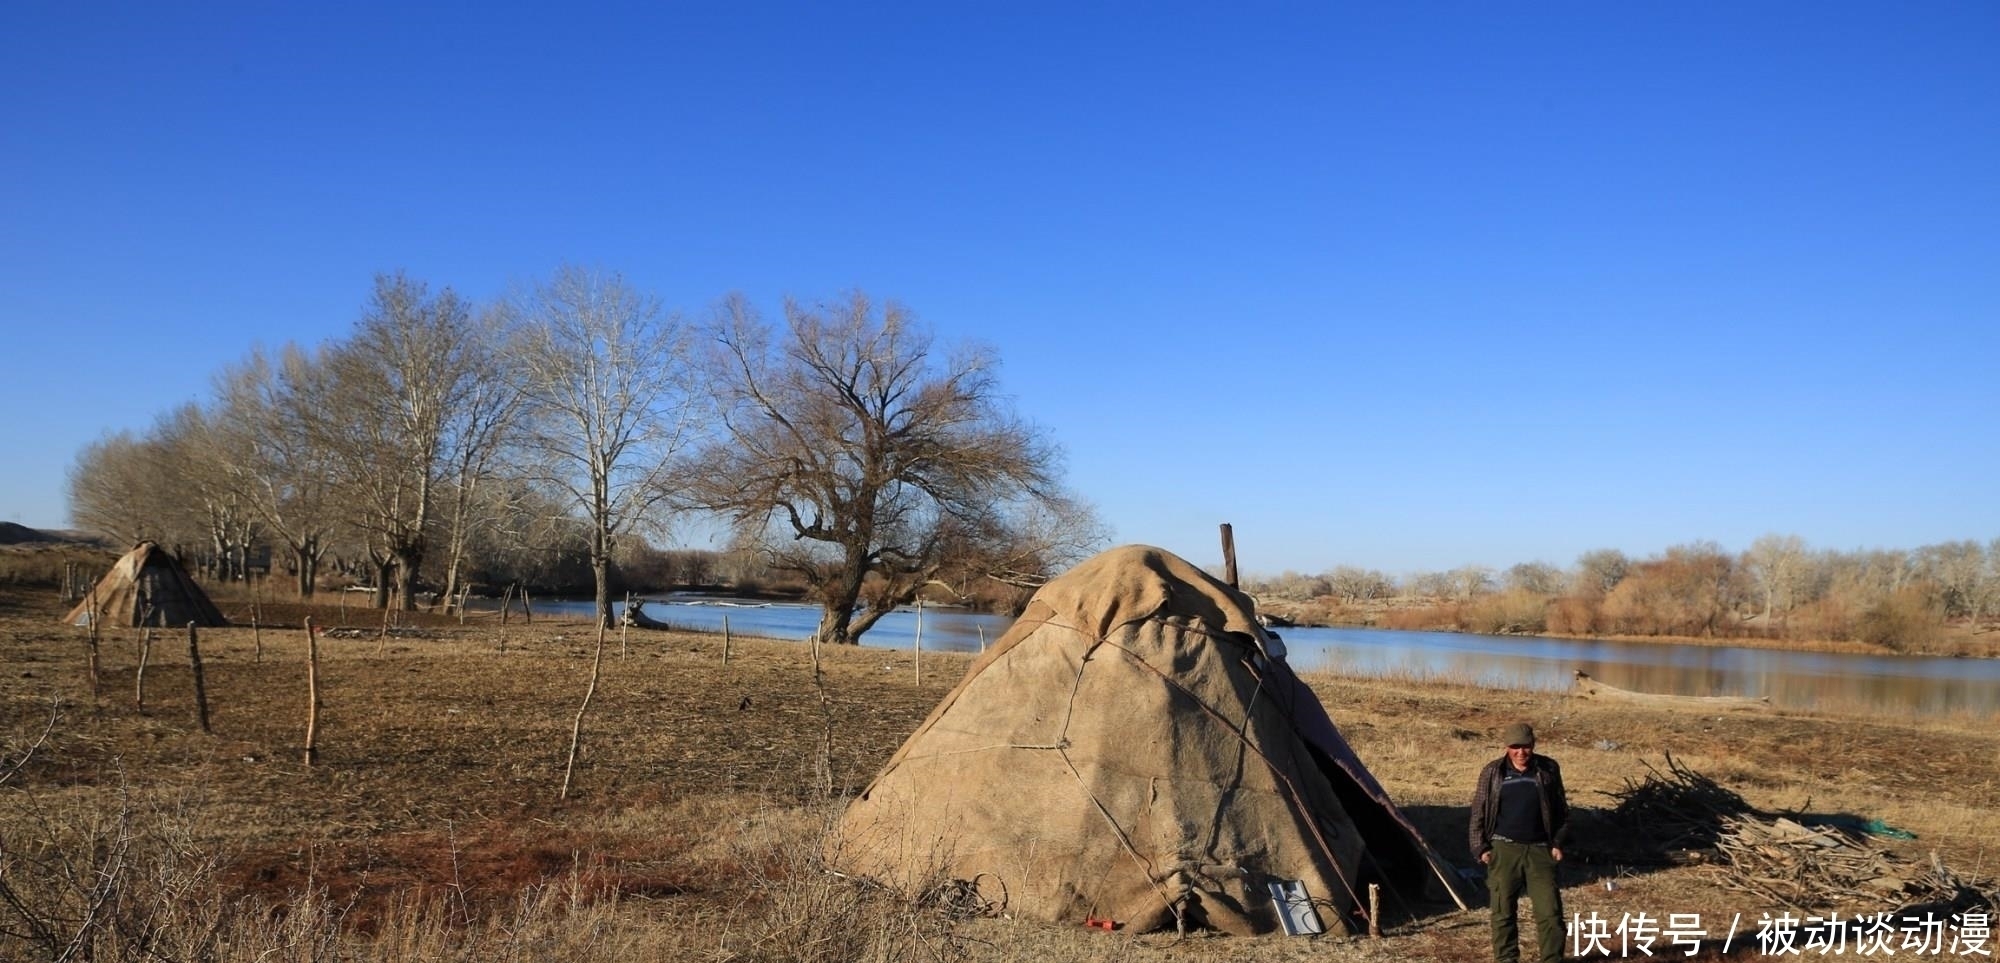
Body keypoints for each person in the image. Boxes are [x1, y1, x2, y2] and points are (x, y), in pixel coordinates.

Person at [1469, 722, 1570, 963]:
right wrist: (1481, 848)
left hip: (1540, 850)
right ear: (1506, 747)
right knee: (1503, 913)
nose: (1521, 753)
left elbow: (1562, 812)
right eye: (1515, 747)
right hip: (1503, 849)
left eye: (1525, 747)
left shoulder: (1548, 769)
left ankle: (1552, 959)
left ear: (1533, 745)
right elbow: (1478, 813)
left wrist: (1557, 842)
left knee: (1550, 913)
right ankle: (1506, 959)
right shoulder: (1493, 772)